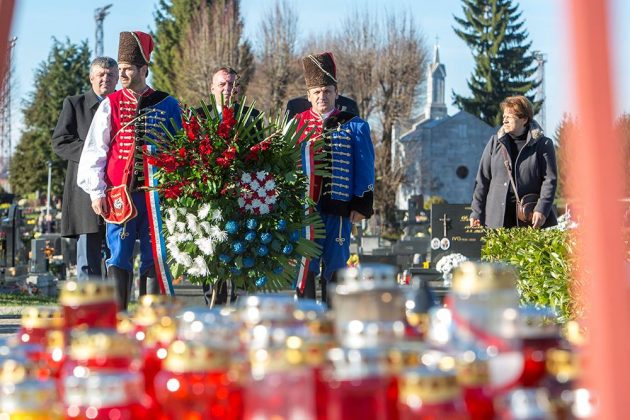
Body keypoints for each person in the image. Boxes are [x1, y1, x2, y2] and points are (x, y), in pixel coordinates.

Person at [77, 31, 182, 309]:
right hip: (119, 194)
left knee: (155, 254)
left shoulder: (168, 104)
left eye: (127, 69)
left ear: (144, 69)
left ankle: (151, 320)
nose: (121, 74)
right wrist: (96, 192)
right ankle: (119, 318)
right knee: (119, 255)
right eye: (120, 68)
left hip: (157, 197)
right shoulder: (110, 104)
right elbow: (96, 149)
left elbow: (182, 148)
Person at [290, 52, 375, 302]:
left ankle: (333, 317)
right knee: (305, 266)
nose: (322, 96)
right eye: (316, 92)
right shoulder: (295, 125)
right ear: (308, 96)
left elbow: (365, 167)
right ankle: (306, 316)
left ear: (336, 93)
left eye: (327, 91)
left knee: (336, 266)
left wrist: (361, 204)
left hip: (339, 209)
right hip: (304, 210)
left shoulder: (354, 125)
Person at [52, 56, 118, 281]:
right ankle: (89, 304)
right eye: (101, 74)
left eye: (110, 75)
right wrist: (95, 152)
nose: (105, 79)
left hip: (118, 191)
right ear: (91, 78)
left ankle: (115, 302)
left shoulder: (124, 105)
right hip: (84, 194)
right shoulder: (75, 104)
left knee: (117, 259)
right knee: (88, 263)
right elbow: (60, 142)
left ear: (117, 79)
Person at [200, 66, 261, 306]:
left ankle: (238, 309)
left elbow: (260, 156)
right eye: (222, 84)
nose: (227, 89)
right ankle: (213, 308)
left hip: (243, 198)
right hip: (209, 198)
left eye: (232, 85)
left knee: (240, 256)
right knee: (211, 255)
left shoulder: (252, 117)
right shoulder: (198, 117)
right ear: (212, 88)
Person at [470, 95, 557, 229]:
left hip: (529, 218)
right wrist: (476, 212)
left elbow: (549, 180)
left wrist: (542, 208)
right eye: (504, 116)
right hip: (496, 220)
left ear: (524, 119)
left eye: (509, 117)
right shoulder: (494, 143)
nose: (504, 120)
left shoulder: (543, 144)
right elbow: (482, 180)